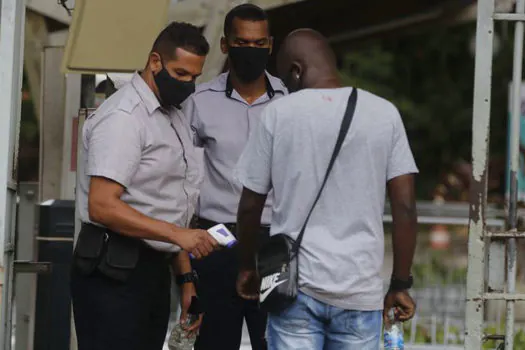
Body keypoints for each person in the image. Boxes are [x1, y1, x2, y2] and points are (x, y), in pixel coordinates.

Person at [234, 29, 418, 349]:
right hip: (361, 290)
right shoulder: (384, 113)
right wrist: (400, 283)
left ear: (296, 70)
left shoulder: (278, 114)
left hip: (294, 288)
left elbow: (250, 204)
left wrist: (248, 266)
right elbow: (404, 206)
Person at [71, 22, 219, 350]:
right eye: (180, 74)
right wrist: (177, 235)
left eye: (194, 77)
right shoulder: (124, 118)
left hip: (152, 270)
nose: (188, 85)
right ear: (155, 62)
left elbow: (167, 204)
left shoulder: (172, 115)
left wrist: (186, 280)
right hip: (112, 273)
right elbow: (102, 205)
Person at [182, 4, 286, 350]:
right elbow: (179, 169)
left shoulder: (290, 103)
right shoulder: (199, 101)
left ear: (270, 44)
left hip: (273, 243)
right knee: (213, 342)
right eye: (242, 42)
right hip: (218, 239)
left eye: (259, 44)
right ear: (225, 45)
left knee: (274, 341)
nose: (251, 51)